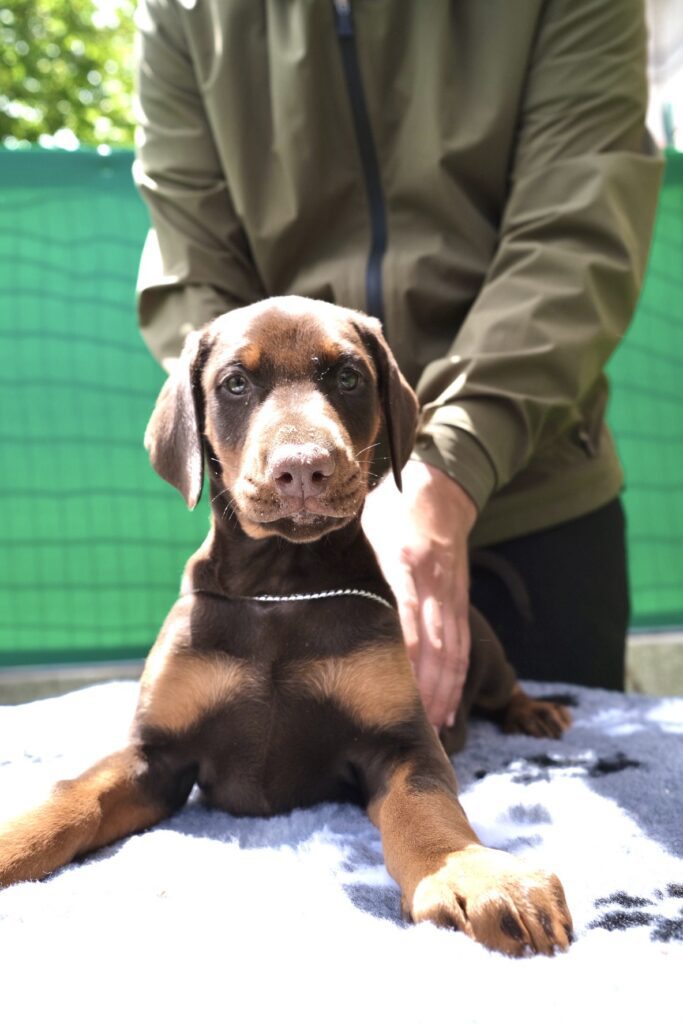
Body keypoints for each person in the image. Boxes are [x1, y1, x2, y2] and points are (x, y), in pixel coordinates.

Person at [133, 0, 662, 728]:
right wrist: (257, 461)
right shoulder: (186, 10)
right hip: (288, 527)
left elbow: (574, 236)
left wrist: (451, 461)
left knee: (553, 757)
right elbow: (195, 271)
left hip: (532, 496)